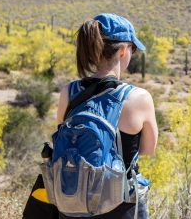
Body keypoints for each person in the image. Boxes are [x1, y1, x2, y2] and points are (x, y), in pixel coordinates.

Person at [55, 13, 158, 219]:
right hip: (120, 204)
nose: (132, 54)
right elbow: (148, 149)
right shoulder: (139, 98)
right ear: (122, 51)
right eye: (132, 49)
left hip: (73, 202)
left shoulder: (69, 91)